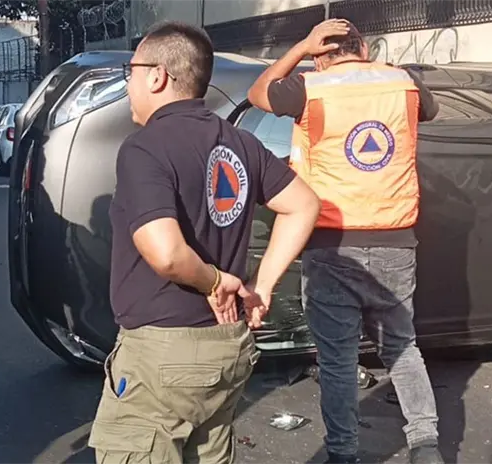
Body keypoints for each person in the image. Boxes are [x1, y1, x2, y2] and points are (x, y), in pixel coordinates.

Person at [88, 21, 320, 462]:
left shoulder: (145, 148)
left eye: (130, 72)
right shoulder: (239, 142)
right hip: (226, 346)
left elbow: (167, 254)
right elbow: (303, 204)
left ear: (156, 75)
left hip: (163, 353)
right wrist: (262, 287)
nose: (129, 83)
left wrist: (216, 282)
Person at [247, 19, 443, 464]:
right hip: (396, 238)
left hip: (332, 243)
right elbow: (427, 111)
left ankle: (342, 453)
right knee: (401, 345)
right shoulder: (403, 82)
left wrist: (297, 48)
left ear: (321, 53)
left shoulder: (310, 87)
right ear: (365, 47)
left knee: (337, 357)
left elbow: (259, 93)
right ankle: (425, 444)